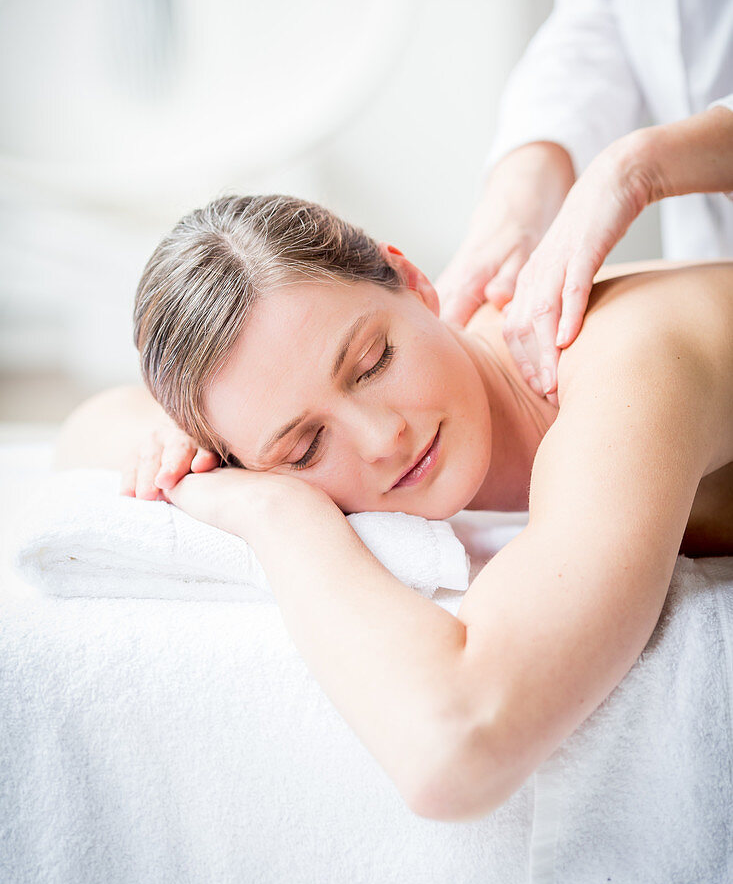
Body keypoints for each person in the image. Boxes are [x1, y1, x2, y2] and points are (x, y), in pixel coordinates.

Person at [55, 194, 733, 823]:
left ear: (413, 280)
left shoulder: (630, 367)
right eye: (304, 445)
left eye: (373, 362)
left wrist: (280, 516)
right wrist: (230, 475)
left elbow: (458, 751)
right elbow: (87, 427)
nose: (382, 439)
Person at [437, 0, 733, 406]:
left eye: (372, 361)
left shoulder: (634, 369)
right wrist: (520, 197)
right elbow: (602, 13)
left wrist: (643, 164)